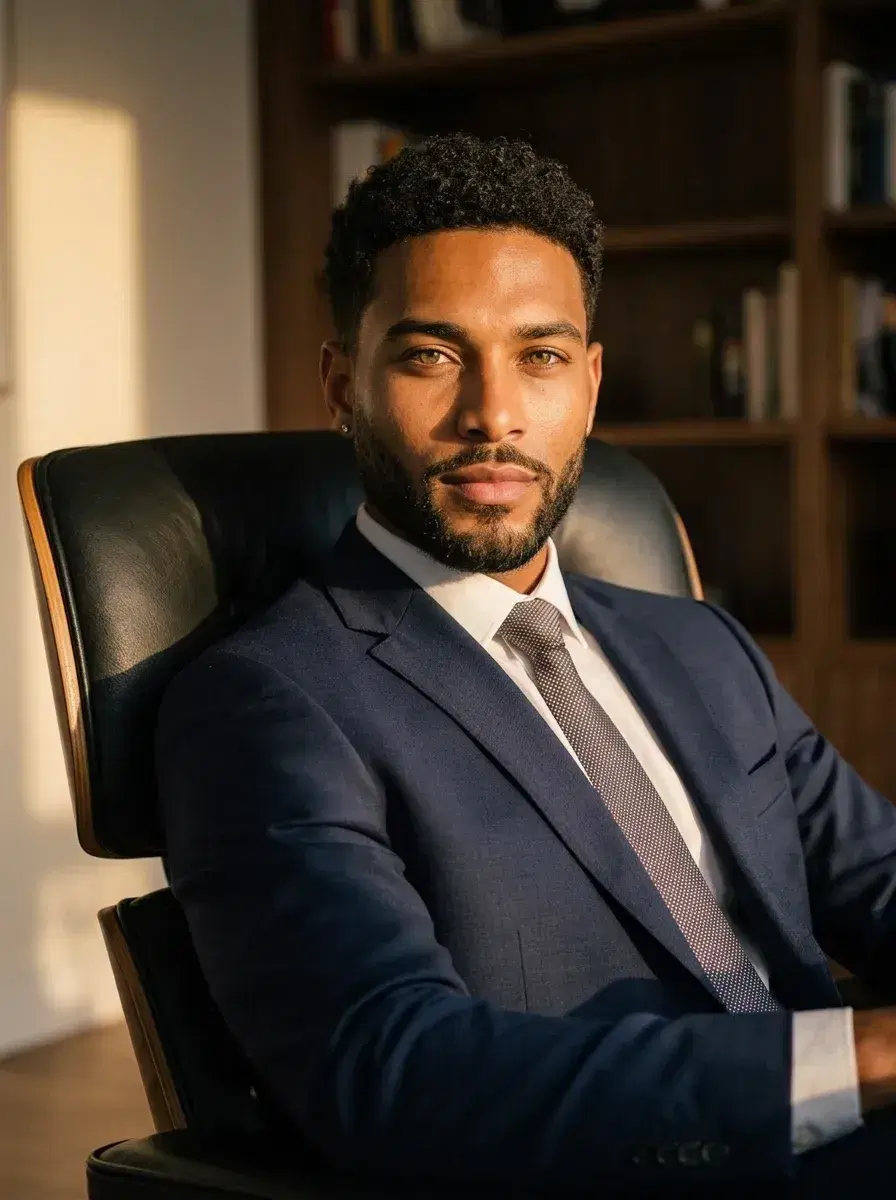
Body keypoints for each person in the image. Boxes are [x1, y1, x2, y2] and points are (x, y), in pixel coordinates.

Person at [156, 133, 896, 1197]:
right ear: (342, 386)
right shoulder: (266, 704)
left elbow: (878, 878)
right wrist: (858, 1060)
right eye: (430, 355)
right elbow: (399, 1073)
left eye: (540, 356)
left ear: (589, 386)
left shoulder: (702, 644)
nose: (493, 415)